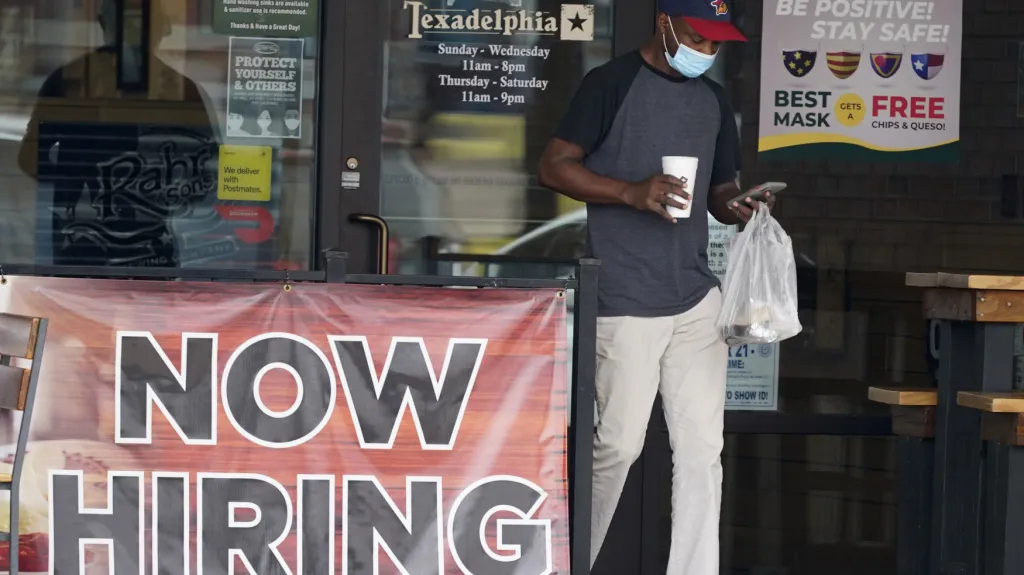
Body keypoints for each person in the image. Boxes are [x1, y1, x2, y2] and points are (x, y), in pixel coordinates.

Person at [537, 0, 774, 572]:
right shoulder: (609, 84)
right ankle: (571, 561)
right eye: (699, 38)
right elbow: (554, 166)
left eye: (717, 44)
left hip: (696, 294)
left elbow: (720, 190)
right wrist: (629, 192)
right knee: (618, 446)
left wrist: (737, 206)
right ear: (664, 22)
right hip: (624, 296)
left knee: (701, 452)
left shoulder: (713, 99)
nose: (708, 52)